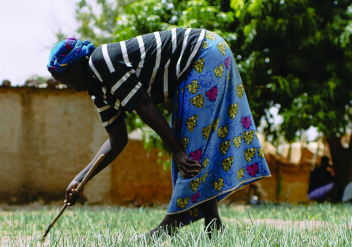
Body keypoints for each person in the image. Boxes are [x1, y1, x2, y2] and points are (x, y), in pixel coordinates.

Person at [48, 28, 271, 236]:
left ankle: (170, 225)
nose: (67, 87)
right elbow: (117, 140)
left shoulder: (101, 61)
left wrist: (176, 151)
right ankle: (213, 225)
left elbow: (143, 105)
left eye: (65, 81)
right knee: (192, 141)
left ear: (76, 68)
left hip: (204, 52)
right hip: (205, 56)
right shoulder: (98, 92)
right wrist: (80, 180)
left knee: (187, 143)